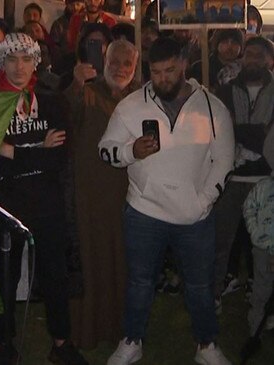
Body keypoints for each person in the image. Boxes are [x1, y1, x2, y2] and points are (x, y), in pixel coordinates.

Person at [99, 36, 234, 365]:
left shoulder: (212, 107)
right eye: (156, 72)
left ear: (184, 65)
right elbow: (105, 148)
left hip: (195, 217)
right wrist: (131, 151)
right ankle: (132, 340)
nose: (163, 79)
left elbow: (225, 159)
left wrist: (204, 201)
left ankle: (206, 345)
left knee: (200, 285)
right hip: (144, 212)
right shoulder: (131, 105)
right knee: (140, 282)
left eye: (170, 70)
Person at [0, 33, 87, 365]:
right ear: (1, 63)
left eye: (25, 59)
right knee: (6, 276)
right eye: (11, 60)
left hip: (46, 199)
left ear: (36, 62)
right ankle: (4, 343)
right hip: (7, 201)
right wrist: (36, 149)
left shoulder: (52, 101)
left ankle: (61, 342)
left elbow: (59, 156)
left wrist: (14, 152)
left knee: (55, 273)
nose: (19, 67)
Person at [67, 39, 140, 350]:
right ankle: (87, 331)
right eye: (114, 62)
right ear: (104, 61)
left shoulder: (140, 99)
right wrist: (74, 84)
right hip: (90, 198)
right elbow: (65, 121)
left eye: (127, 64)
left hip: (129, 196)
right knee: (91, 260)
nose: (120, 69)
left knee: (124, 264)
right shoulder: (86, 93)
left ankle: (124, 332)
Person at [213, 36, 274, 312]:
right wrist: (257, 133)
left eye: (260, 56)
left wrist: (245, 133)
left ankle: (259, 296)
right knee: (221, 240)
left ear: (269, 60)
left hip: (265, 180)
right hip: (232, 178)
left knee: (262, 246)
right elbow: (221, 131)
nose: (254, 60)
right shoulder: (226, 91)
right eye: (249, 55)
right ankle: (213, 293)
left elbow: (267, 139)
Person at [243, 174, 274, 337]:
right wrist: (255, 233)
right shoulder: (263, 186)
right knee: (262, 288)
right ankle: (256, 326)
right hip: (262, 249)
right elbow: (248, 208)